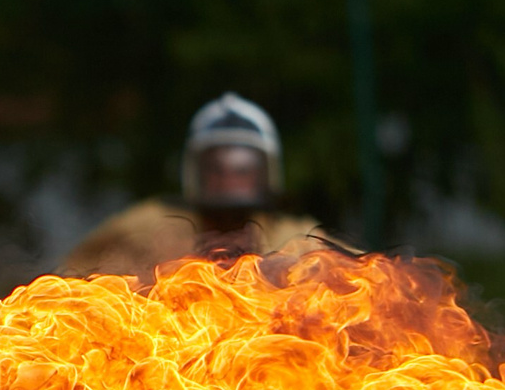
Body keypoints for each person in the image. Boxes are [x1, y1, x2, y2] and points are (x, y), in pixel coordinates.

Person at [60, 95, 331, 278]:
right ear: (195, 171)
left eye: (242, 170)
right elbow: (71, 278)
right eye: (217, 169)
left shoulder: (295, 240)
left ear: (266, 172)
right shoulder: (147, 228)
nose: (229, 179)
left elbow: (361, 279)